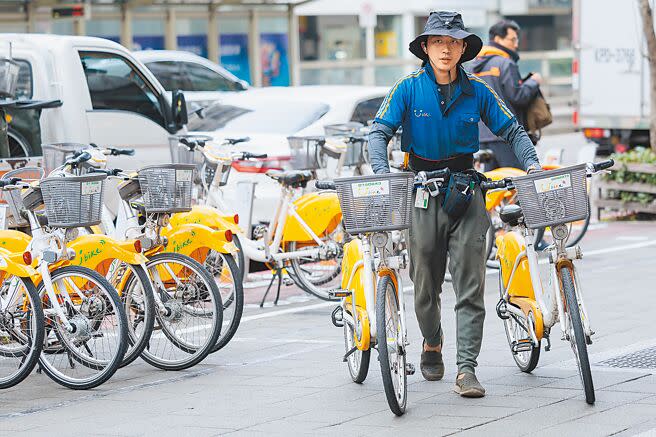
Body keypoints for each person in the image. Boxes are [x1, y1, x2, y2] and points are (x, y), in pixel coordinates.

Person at [368, 11, 541, 398]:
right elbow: (379, 132)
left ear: (463, 48)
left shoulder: (477, 89)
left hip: (467, 191)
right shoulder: (408, 88)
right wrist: (382, 170)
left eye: (453, 42)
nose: (445, 49)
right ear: (426, 48)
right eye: (437, 42)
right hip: (422, 190)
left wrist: (531, 162)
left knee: (471, 282)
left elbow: (512, 128)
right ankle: (432, 341)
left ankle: (466, 369)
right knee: (425, 279)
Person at [469, 20, 543, 170]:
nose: (516, 44)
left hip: (480, 136)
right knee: (515, 184)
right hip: (506, 135)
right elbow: (518, 96)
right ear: (497, 39)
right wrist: (533, 82)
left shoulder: (472, 66)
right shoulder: (506, 64)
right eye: (512, 39)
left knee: (491, 186)